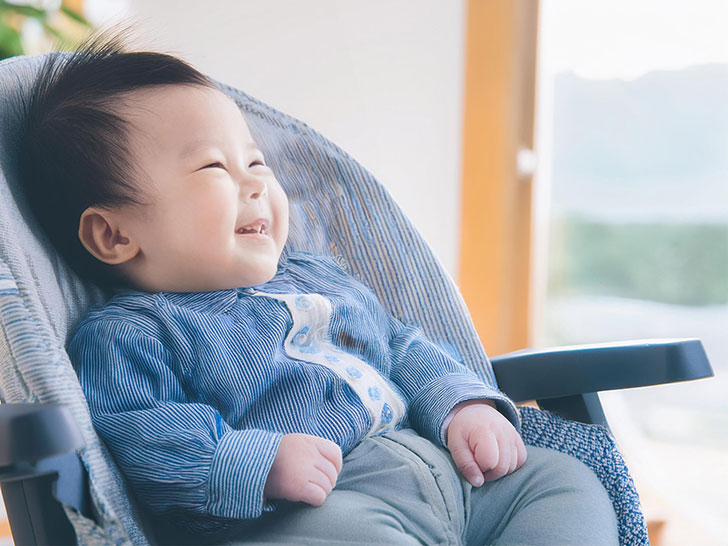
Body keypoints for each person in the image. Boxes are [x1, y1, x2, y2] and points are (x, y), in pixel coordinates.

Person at [20, 33, 619, 545]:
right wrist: (258, 464)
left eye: (257, 163)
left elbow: (400, 345)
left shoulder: (314, 276)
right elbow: (141, 434)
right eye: (212, 169)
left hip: (447, 470)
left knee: (561, 483)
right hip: (320, 510)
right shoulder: (131, 333)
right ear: (113, 234)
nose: (255, 186)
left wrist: (461, 404)